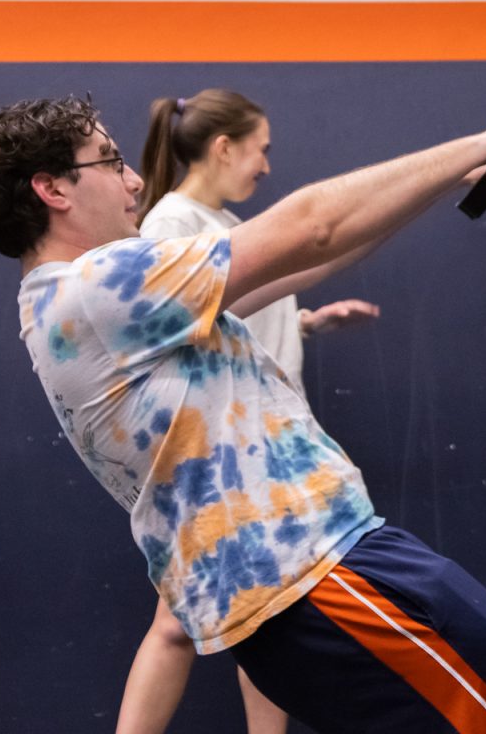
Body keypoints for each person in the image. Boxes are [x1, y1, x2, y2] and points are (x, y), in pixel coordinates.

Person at [0, 94, 486, 734]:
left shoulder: (89, 306)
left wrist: (453, 175)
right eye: (110, 160)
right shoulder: (92, 293)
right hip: (314, 581)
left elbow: (316, 256)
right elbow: (312, 224)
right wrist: (485, 139)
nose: (132, 182)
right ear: (53, 189)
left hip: (329, 570)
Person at [118, 89, 380, 734]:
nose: (266, 166)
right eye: (261, 149)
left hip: (261, 442)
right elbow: (170, 333)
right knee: (179, 625)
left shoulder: (225, 228)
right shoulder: (170, 226)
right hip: (220, 452)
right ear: (223, 146)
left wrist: (309, 324)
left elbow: (249, 309)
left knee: (268, 610)